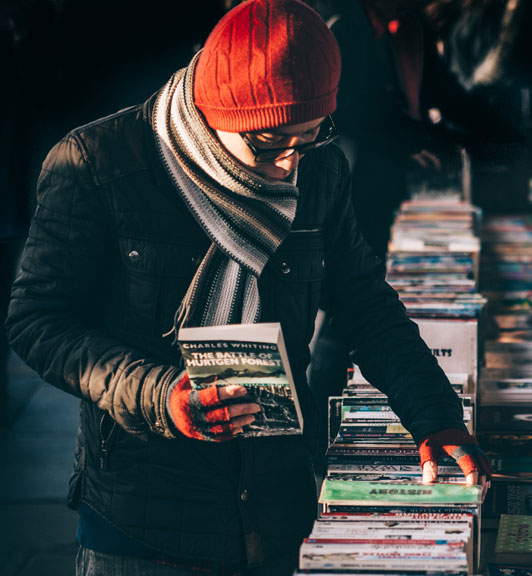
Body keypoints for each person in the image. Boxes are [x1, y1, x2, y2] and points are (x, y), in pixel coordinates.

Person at [5, 1, 490, 575]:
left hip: (276, 508)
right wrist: (160, 394)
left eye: (307, 138)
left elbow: (364, 303)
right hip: (142, 517)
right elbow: (37, 322)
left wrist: (433, 414)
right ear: (215, 113)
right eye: (266, 145)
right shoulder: (97, 163)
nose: (288, 165)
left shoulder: (321, 172)